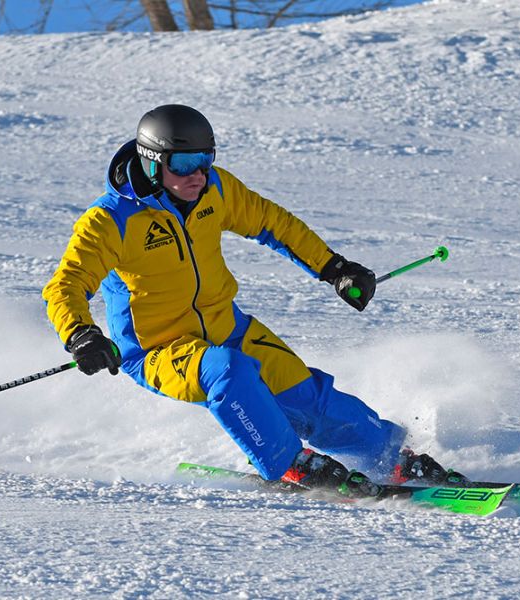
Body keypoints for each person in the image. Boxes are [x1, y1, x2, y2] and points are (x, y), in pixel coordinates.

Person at [42, 104, 465, 495]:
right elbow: (67, 284)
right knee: (228, 371)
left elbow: (271, 222)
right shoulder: (111, 220)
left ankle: (388, 458)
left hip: (229, 327)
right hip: (159, 350)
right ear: (153, 163)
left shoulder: (215, 191)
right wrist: (81, 334)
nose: (199, 174)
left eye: (206, 160)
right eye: (185, 164)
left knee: (306, 394)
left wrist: (334, 268)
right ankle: (288, 463)